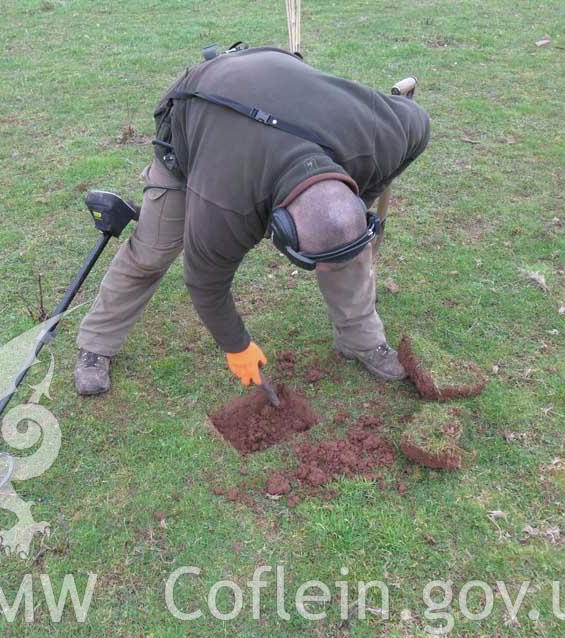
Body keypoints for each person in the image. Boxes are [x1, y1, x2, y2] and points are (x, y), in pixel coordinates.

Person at [74, 45, 430, 395]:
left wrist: (360, 202)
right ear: (277, 228)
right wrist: (237, 347)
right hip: (197, 109)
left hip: (276, 76)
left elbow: (420, 124)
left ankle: (361, 340)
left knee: (345, 247)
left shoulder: (382, 135)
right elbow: (204, 283)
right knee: (151, 252)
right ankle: (96, 345)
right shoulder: (224, 203)